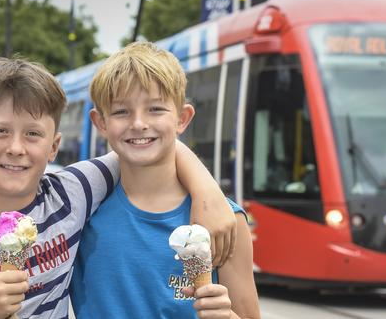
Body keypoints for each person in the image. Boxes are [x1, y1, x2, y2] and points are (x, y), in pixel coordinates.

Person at [0, 58, 237, 319]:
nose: (16, 147)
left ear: (54, 147)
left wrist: (210, 194)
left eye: (33, 134)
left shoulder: (70, 195)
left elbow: (146, 141)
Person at [71, 42, 260, 318]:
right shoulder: (82, 213)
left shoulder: (226, 221)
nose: (138, 123)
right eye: (121, 111)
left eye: (156, 109)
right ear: (100, 123)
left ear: (182, 118)